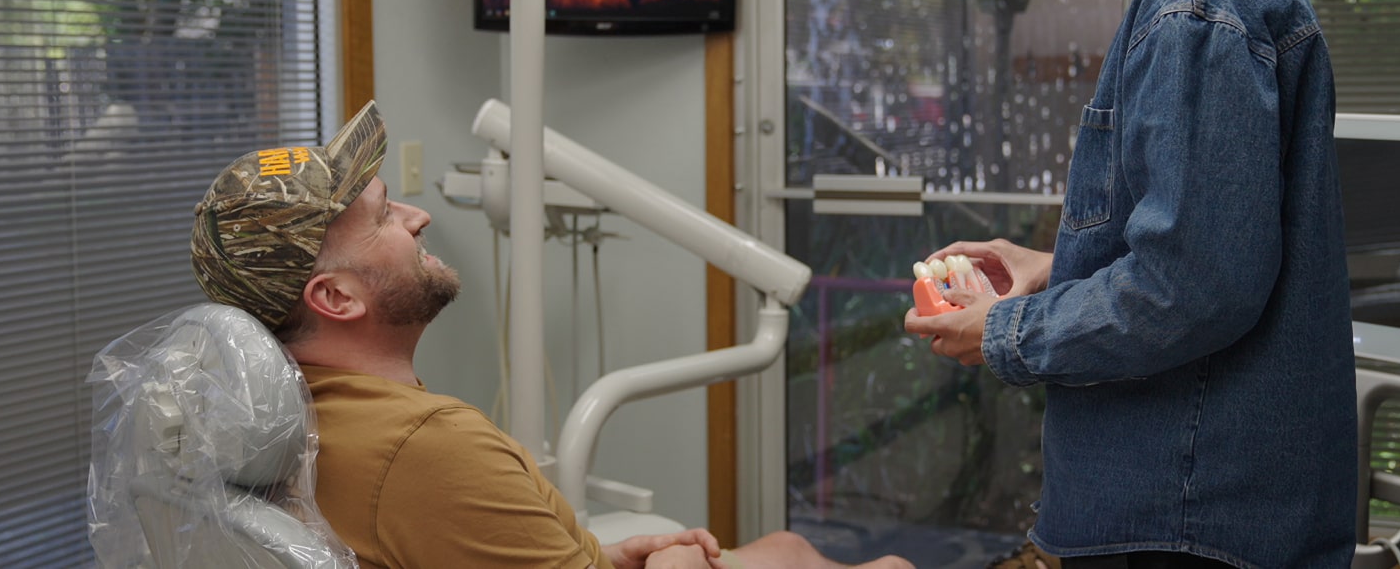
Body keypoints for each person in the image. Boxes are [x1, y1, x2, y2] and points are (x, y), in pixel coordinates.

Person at [903, 0, 1358, 569]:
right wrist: (1050, 269)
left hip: (1183, 513)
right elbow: (1198, 230)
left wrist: (1003, 334)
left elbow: (1189, 287)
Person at [191, 101, 911, 569]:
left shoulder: (300, 415)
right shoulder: (426, 448)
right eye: (384, 217)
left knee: (786, 546)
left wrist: (609, 555)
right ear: (336, 296)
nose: (418, 218)